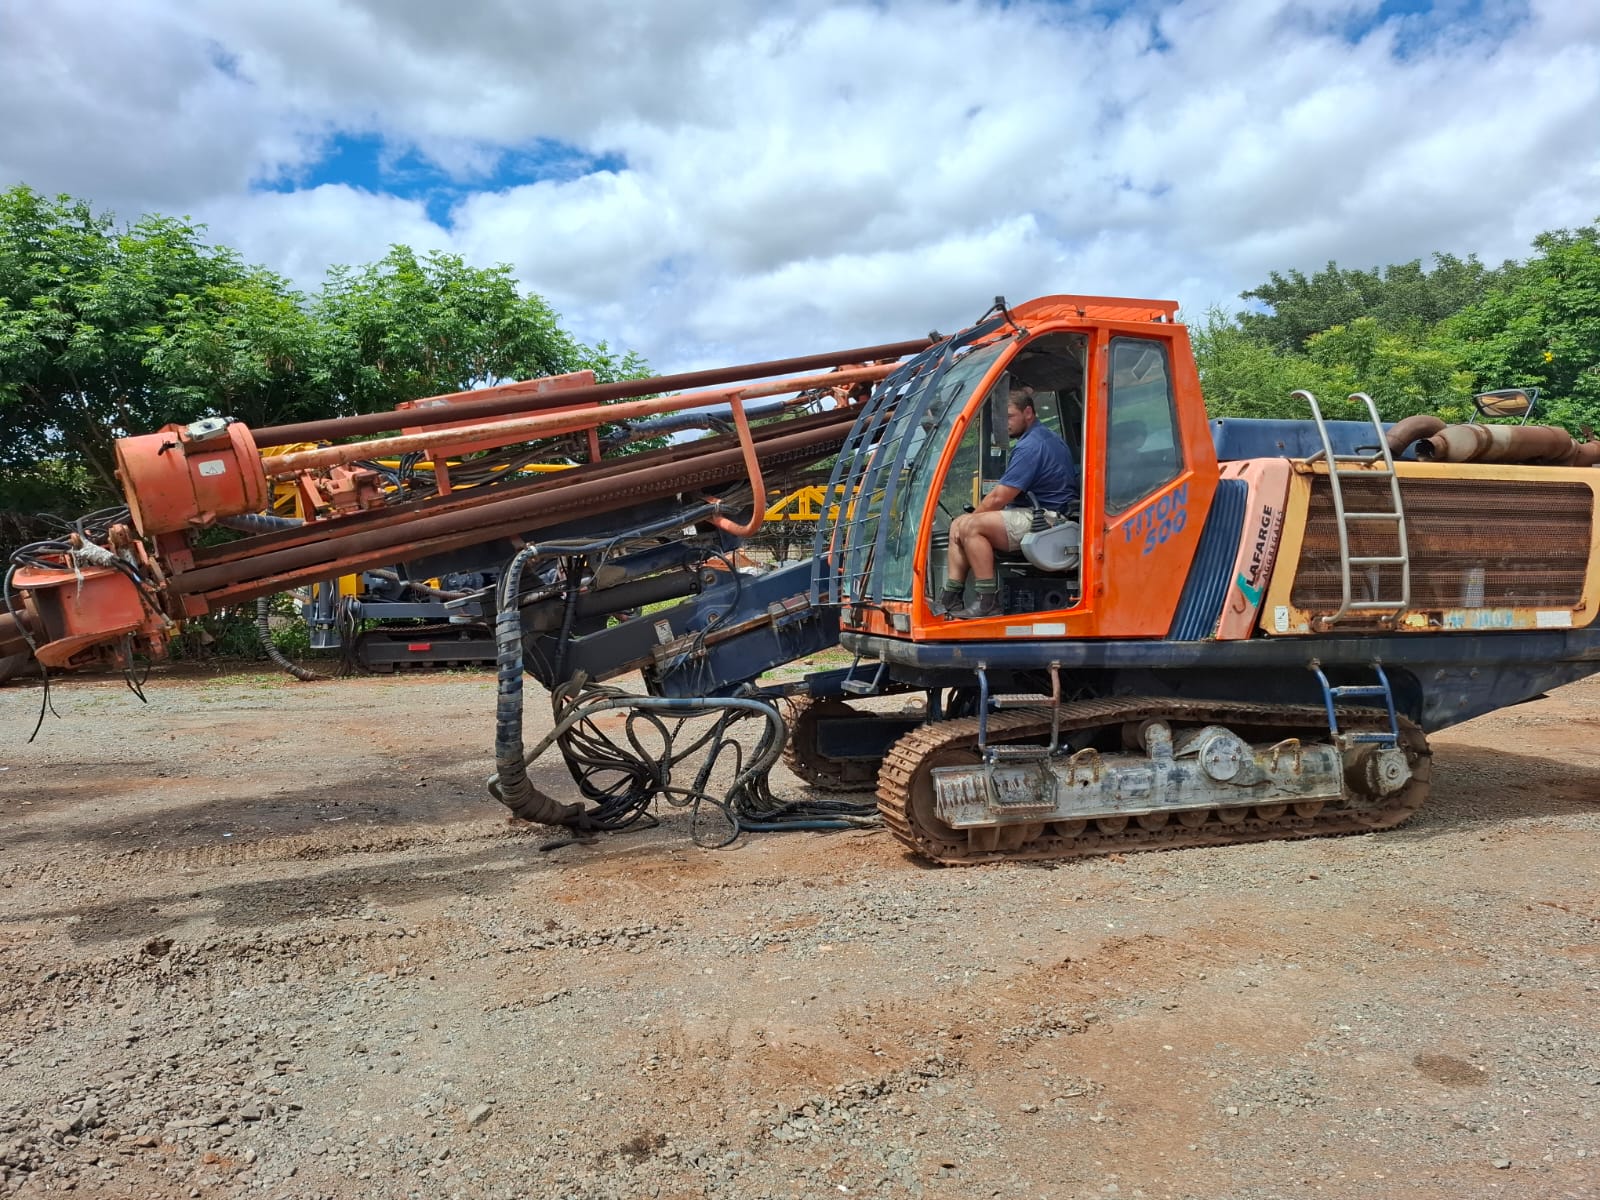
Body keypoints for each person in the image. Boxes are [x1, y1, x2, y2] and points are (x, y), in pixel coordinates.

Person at [937, 385, 1078, 619]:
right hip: (1034, 513)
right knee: (957, 524)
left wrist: (973, 519)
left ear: (1028, 413)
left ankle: (987, 601)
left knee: (970, 526)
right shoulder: (1041, 438)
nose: (1004, 424)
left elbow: (999, 497)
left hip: (1049, 519)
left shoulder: (1032, 445)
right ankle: (951, 598)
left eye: (1010, 416)